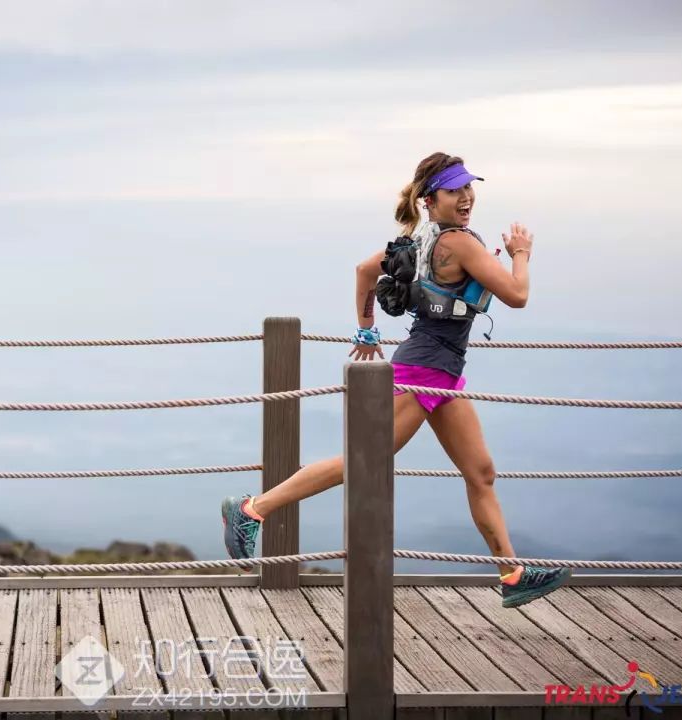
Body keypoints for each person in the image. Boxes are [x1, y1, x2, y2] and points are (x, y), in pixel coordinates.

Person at [221, 152, 571, 608]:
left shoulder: (420, 238)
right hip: (424, 371)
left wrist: (367, 329)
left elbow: (365, 271)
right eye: (455, 190)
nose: (466, 197)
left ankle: (512, 573)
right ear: (430, 199)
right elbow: (517, 295)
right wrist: (522, 254)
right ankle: (252, 510)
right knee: (362, 460)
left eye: (469, 187)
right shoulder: (460, 244)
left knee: (480, 472)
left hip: (442, 373)